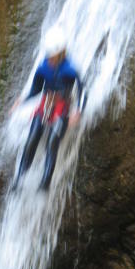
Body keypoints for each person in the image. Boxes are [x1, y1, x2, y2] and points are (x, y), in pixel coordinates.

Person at [12, 43, 86, 191]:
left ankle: (45, 183)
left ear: (60, 54)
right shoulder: (43, 67)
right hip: (45, 104)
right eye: (48, 56)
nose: (49, 59)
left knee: (52, 142)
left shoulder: (70, 69)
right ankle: (19, 179)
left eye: (52, 57)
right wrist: (23, 99)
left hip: (63, 107)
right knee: (32, 138)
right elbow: (36, 89)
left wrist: (78, 110)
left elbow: (82, 91)